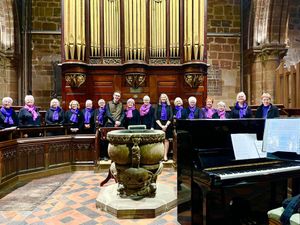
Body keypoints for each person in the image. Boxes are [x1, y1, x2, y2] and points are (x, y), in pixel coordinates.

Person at [155, 93, 173, 161]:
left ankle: (165, 155)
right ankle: (160, 155)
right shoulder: (157, 106)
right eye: (162, 97)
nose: (163, 98)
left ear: (166, 98)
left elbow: (171, 116)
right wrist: (161, 126)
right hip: (159, 124)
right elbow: (155, 116)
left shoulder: (169, 106)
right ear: (160, 98)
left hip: (167, 125)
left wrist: (165, 126)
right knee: (159, 141)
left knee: (166, 140)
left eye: (164, 97)